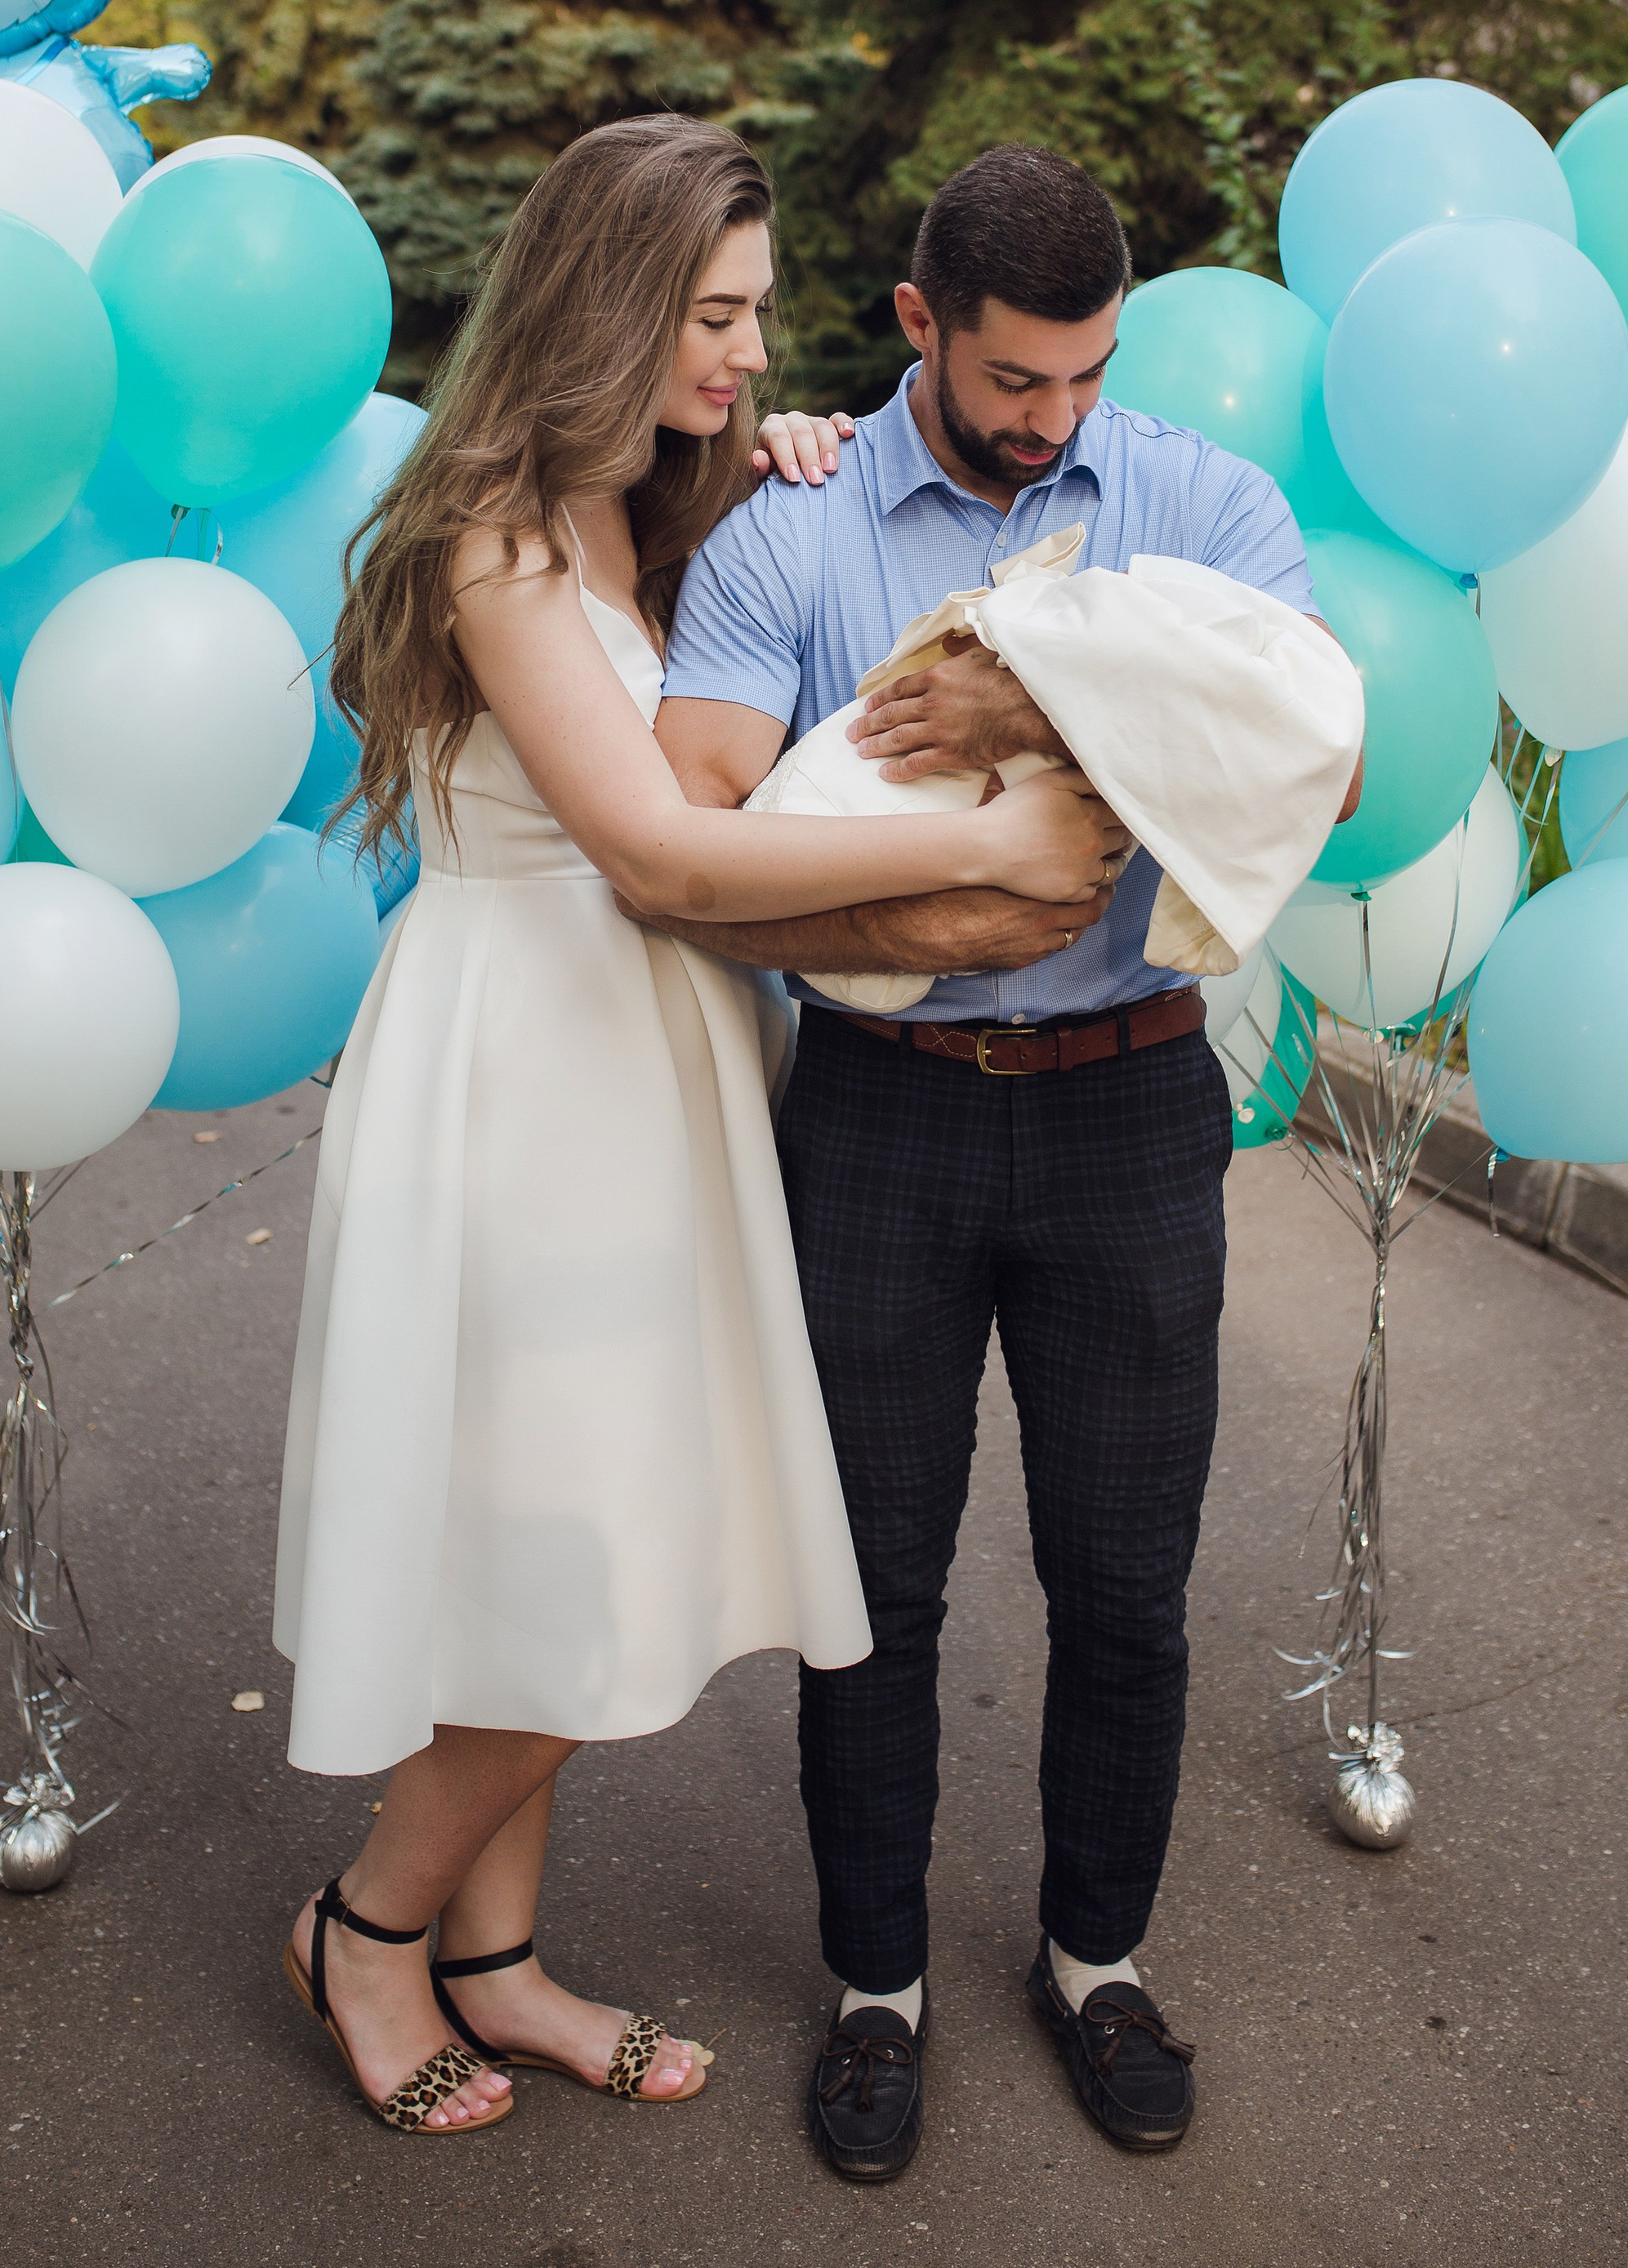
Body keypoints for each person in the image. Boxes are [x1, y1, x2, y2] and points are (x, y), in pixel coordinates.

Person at [270, 118, 1121, 2140]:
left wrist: (780, 449)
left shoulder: (630, 502)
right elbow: (658, 838)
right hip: (524, 1073)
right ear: (613, 300)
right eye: (717, 317)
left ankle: (497, 1961)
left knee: (556, 1533)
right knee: (573, 1541)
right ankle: (365, 1932)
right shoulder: (485, 533)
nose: (747, 354)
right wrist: (982, 836)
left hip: (637, 1072)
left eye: (753, 318)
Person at [653, 144, 1363, 2181]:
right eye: (1010, 382)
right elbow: (696, 832)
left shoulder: (1197, 502)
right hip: (872, 1120)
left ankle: (1094, 1959)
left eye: (1083, 377)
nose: (1053, 423)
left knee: (1124, 1584)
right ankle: (873, 1994)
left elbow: (1295, 749)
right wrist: (1040, 785)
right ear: (914, 331)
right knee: (864, 1590)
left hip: (1132, 1102)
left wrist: (1026, 685)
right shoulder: (788, 531)